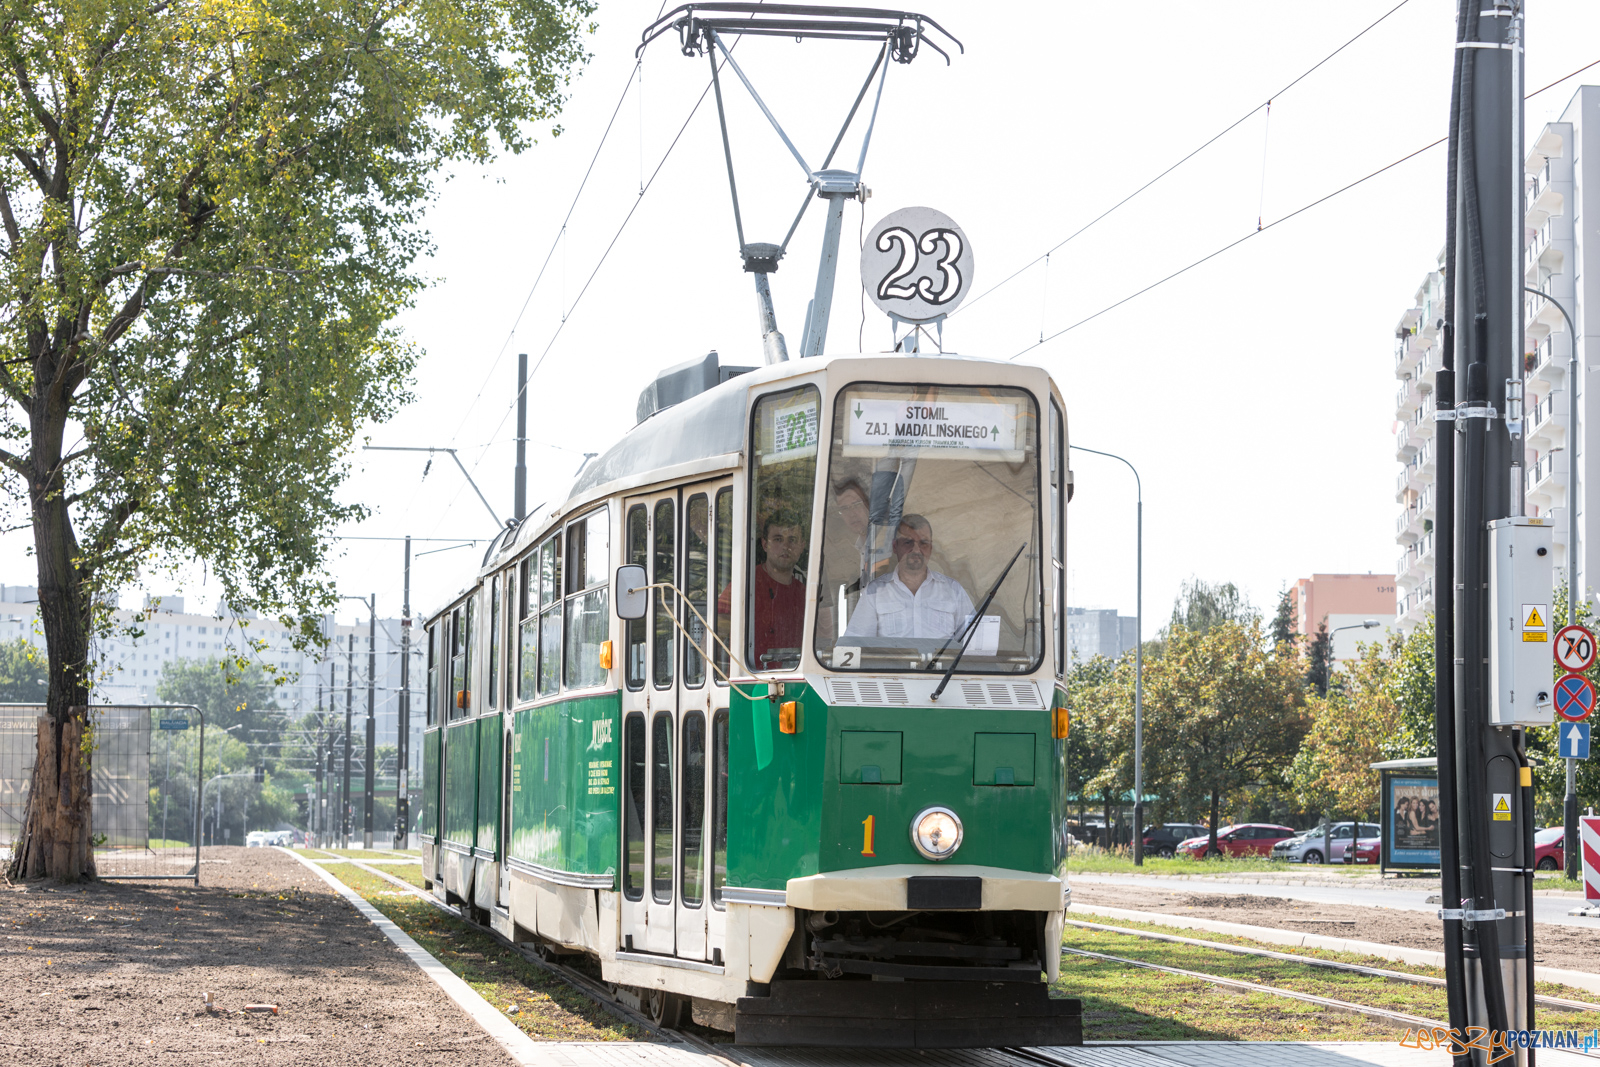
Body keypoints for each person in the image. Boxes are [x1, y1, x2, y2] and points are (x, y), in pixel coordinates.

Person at [841, 515, 975, 641]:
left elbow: (974, 642)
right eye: (908, 542)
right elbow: (856, 644)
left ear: (931, 548)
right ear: (895, 546)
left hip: (943, 667)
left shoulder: (953, 590)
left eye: (923, 543)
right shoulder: (875, 592)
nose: (916, 550)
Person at [750, 512, 807, 667]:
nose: (785, 546)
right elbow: (713, 638)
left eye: (792, 540)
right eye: (778, 539)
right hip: (753, 686)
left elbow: (822, 638)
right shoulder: (746, 586)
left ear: (802, 546)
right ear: (764, 544)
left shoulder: (805, 594)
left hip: (796, 684)